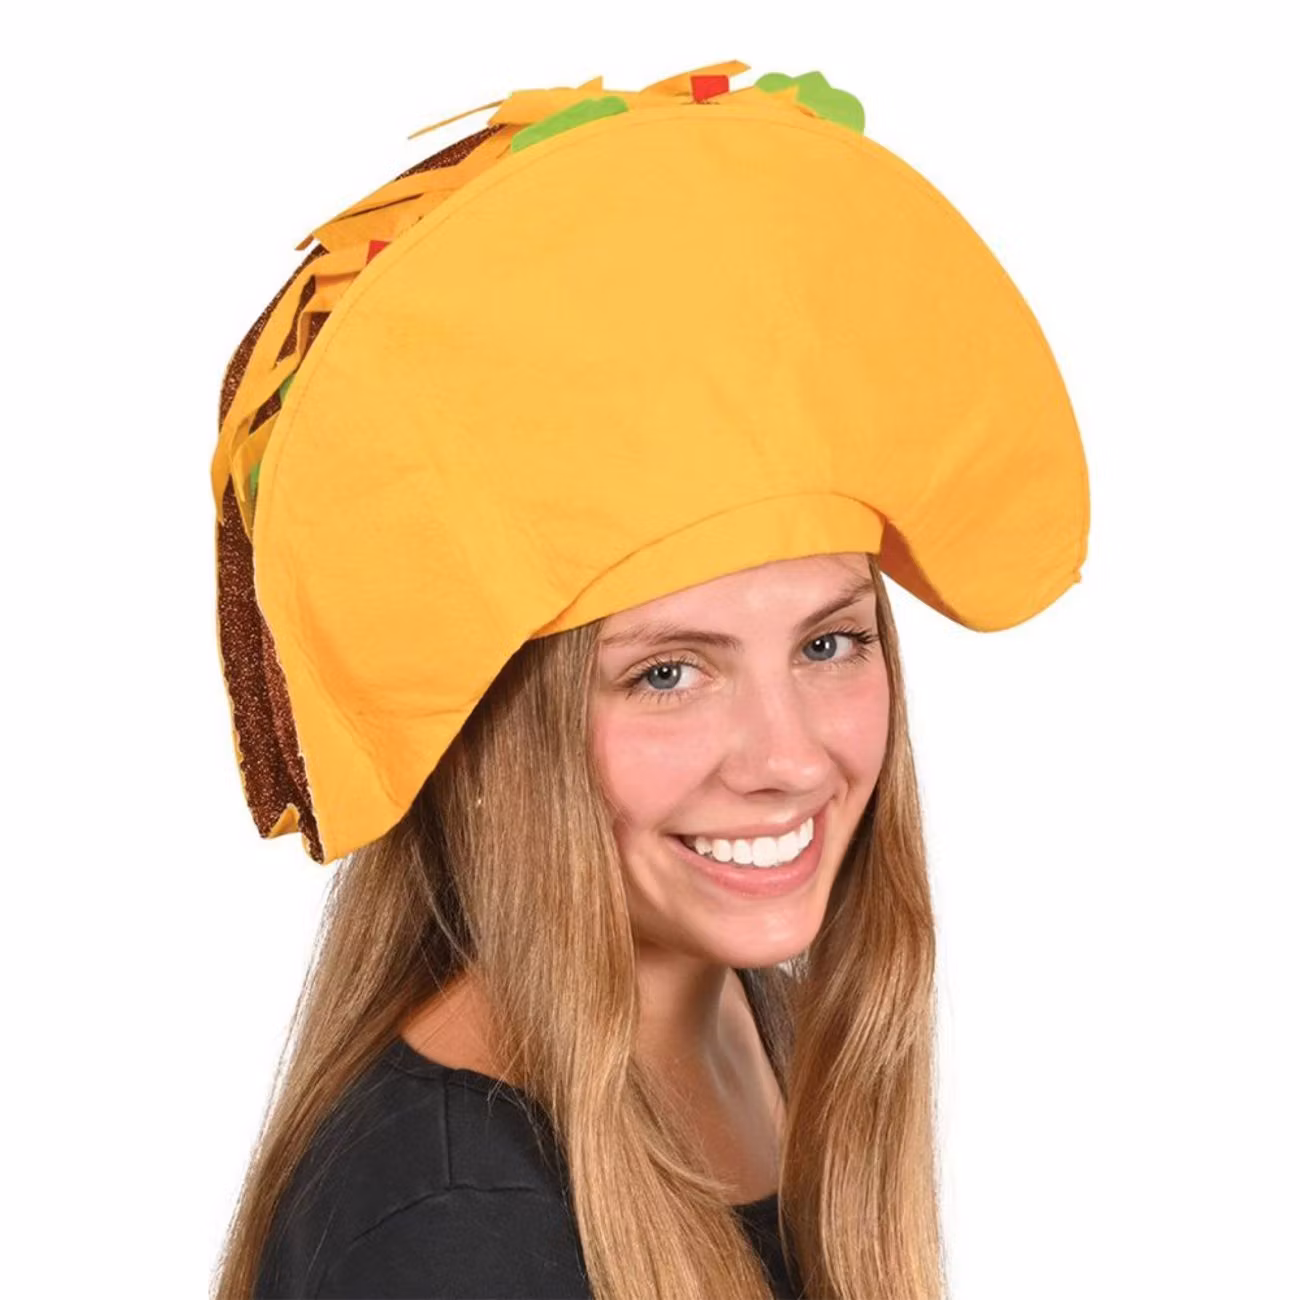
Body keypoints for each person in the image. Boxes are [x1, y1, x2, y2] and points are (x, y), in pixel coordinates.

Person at [208, 60, 1089, 1300]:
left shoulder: (743, 1024)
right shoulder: (453, 1235)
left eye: (828, 643)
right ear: (500, 732)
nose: (788, 757)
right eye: (669, 672)